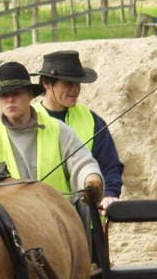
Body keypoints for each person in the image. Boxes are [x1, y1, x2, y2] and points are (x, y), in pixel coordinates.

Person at [0, 61, 104, 202]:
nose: (10, 99)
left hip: (61, 219)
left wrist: (91, 180)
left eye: (16, 93)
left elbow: (82, 164)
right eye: (3, 95)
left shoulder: (59, 130)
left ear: (30, 95)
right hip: (11, 222)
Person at [33, 50, 124, 212]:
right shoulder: (28, 121)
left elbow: (109, 165)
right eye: (68, 83)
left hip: (86, 220)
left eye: (78, 83)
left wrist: (110, 193)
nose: (75, 89)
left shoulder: (91, 119)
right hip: (41, 219)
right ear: (47, 83)